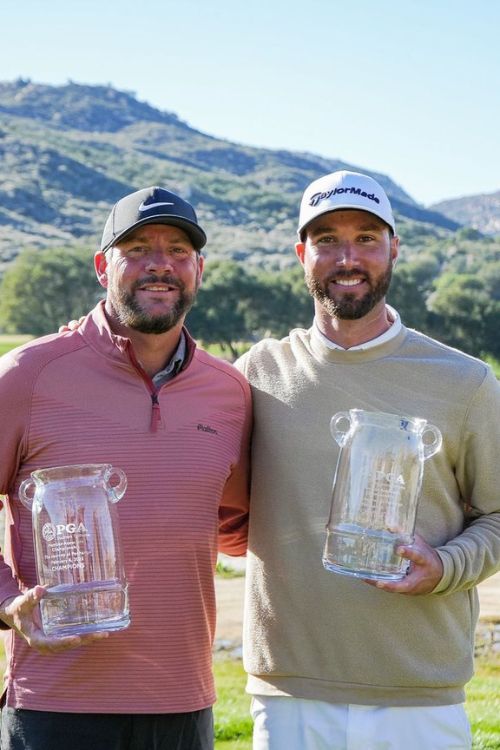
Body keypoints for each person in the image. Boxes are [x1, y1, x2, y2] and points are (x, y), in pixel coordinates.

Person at [235, 170, 500, 750]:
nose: (347, 257)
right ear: (302, 254)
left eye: (367, 238)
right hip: (290, 696)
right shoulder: (254, 376)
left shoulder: (467, 383)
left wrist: (445, 565)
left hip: (419, 695)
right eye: (327, 240)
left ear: (394, 249)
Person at [0, 186, 251, 750]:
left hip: (185, 704)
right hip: (55, 704)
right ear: (101, 266)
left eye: (178, 250)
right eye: (137, 248)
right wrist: (7, 603)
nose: (160, 263)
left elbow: (239, 530)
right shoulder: (26, 376)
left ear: (199, 270)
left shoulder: (230, 393)